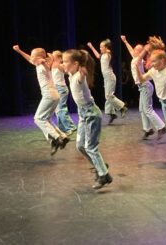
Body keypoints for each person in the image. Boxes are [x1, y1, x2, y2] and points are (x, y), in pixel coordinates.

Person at [62, 49, 112, 189]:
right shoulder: (71, 74)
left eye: (66, 62)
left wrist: (83, 68)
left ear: (76, 64)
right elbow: (60, 66)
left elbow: (82, 73)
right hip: (83, 115)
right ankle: (100, 166)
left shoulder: (79, 75)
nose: (63, 64)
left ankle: (104, 175)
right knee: (80, 146)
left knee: (90, 147)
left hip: (91, 114)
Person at [12, 45, 69, 155]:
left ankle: (57, 138)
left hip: (49, 94)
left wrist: (45, 58)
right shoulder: (41, 63)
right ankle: (62, 136)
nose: (31, 58)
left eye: (33, 55)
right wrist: (19, 51)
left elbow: (33, 59)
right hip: (54, 94)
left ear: (38, 56)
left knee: (38, 119)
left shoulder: (42, 62)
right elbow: (30, 59)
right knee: (46, 119)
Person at [121, 35, 166, 140]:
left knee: (147, 109)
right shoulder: (135, 57)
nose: (135, 50)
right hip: (142, 87)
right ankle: (148, 129)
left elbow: (140, 56)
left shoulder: (139, 60)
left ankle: (162, 127)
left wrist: (145, 50)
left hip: (145, 86)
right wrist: (125, 41)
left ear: (140, 52)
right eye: (135, 49)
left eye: (137, 50)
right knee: (142, 109)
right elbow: (131, 51)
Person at [87, 39, 128, 124]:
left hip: (110, 77)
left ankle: (122, 107)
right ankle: (112, 113)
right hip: (106, 78)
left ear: (106, 47)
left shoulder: (108, 54)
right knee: (108, 96)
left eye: (101, 47)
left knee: (109, 96)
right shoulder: (103, 55)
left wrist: (108, 49)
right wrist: (91, 47)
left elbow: (108, 53)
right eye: (100, 47)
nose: (100, 48)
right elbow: (98, 56)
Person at [51, 50, 77, 135]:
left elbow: (64, 70)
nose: (52, 56)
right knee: (58, 110)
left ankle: (70, 127)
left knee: (61, 109)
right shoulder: (53, 64)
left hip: (61, 89)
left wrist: (57, 62)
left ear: (59, 58)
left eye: (54, 56)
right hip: (56, 88)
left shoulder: (60, 65)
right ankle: (62, 128)